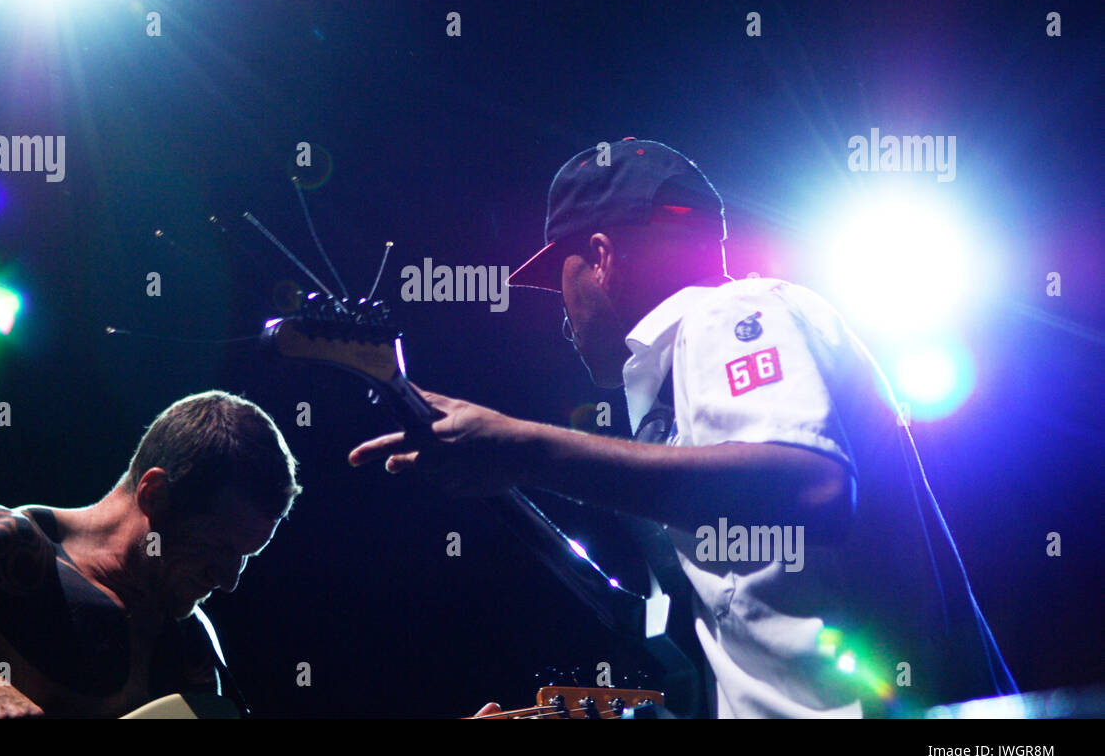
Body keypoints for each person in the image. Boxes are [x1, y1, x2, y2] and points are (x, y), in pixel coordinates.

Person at [350, 138, 1017, 718]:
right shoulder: (684, 394)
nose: (561, 316)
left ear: (603, 255)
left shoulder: (730, 312)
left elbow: (809, 485)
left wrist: (522, 447)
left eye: (561, 285)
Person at [0, 390, 299, 718]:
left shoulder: (191, 641)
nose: (230, 579)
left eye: (246, 557)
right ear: (154, 495)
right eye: (218, 548)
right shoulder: (8, 548)